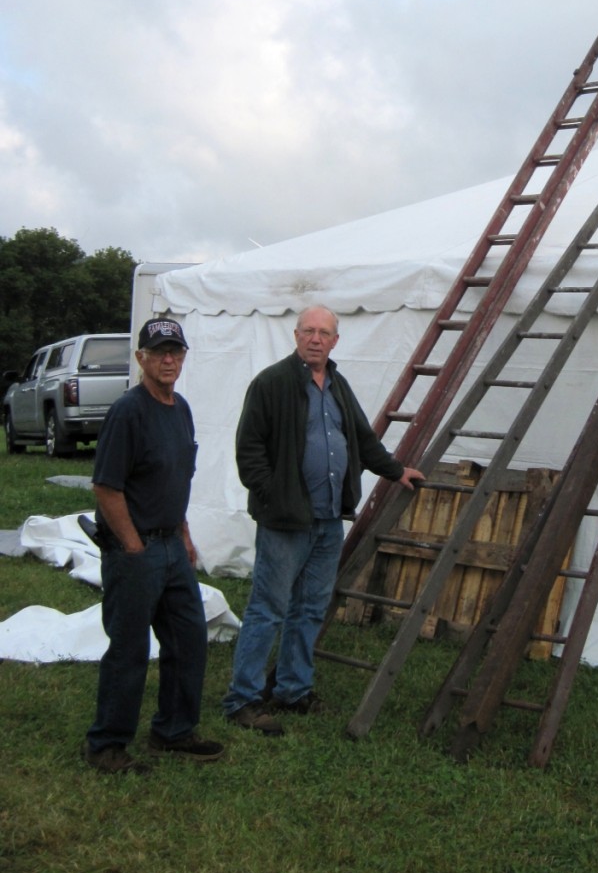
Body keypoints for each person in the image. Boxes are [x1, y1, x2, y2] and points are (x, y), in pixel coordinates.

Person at [222, 306, 424, 734]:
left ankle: (292, 689)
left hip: (329, 519)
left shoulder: (337, 385)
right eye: (308, 331)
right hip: (285, 521)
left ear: (335, 341)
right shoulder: (272, 384)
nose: (315, 339)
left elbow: (363, 439)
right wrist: (275, 497)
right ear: (296, 336)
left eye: (324, 333)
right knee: (268, 608)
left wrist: (395, 470)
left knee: (310, 608)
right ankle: (243, 698)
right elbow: (249, 450)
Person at [83, 318, 224, 773]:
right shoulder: (129, 411)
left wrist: (183, 535)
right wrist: (132, 546)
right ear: (141, 357)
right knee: (129, 649)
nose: (168, 359)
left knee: (188, 638)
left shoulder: (178, 408)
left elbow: (174, 478)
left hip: (171, 546)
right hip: (136, 550)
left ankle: (174, 731)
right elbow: (106, 487)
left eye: (175, 352)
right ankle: (107, 745)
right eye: (159, 351)